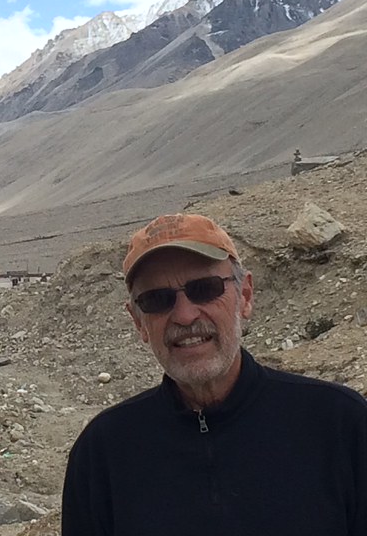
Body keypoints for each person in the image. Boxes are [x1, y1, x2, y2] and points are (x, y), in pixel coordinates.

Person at [60, 213, 367, 535]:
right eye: (156, 300)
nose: (184, 314)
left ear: (245, 296)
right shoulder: (105, 451)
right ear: (138, 322)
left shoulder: (339, 424)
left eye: (204, 289)